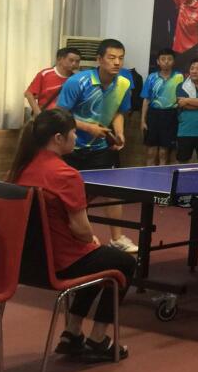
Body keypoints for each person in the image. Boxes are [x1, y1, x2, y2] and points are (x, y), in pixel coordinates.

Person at [10, 109, 136, 362]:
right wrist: (91, 239)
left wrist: (89, 244)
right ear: (58, 138)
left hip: (24, 265)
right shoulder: (66, 175)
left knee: (97, 257)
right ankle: (98, 338)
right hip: (60, 264)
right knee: (124, 262)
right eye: (73, 133)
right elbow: (82, 231)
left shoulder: (20, 170)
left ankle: (73, 333)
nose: (76, 138)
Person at [56, 39, 137, 253]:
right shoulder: (77, 82)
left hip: (100, 147)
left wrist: (119, 132)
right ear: (99, 59)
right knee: (71, 196)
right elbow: (60, 115)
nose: (117, 62)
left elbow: (118, 112)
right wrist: (88, 128)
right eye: (111, 58)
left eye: (120, 58)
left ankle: (117, 238)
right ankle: (69, 237)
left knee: (113, 191)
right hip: (72, 147)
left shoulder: (124, 83)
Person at [140, 48, 184, 166]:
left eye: (169, 59)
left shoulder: (179, 77)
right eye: (163, 59)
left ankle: (162, 176)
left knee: (164, 152)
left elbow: (183, 99)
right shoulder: (151, 77)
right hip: (153, 115)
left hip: (171, 115)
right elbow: (146, 99)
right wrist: (143, 120)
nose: (166, 62)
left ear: (173, 61)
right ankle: (149, 175)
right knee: (151, 151)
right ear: (158, 61)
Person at [25, 47, 82, 117]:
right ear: (60, 59)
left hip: (65, 117)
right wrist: (38, 113)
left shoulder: (77, 79)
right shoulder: (45, 74)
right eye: (71, 60)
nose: (74, 64)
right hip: (45, 116)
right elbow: (29, 93)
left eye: (77, 61)